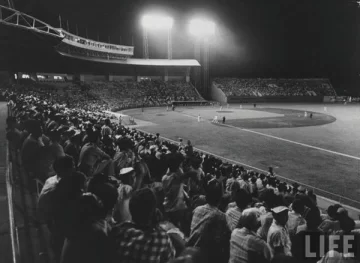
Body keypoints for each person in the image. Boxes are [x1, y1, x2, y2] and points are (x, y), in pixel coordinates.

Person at [111, 188, 176, 263]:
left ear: (131, 209)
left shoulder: (118, 231)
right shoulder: (162, 238)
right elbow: (170, 259)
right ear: (154, 211)